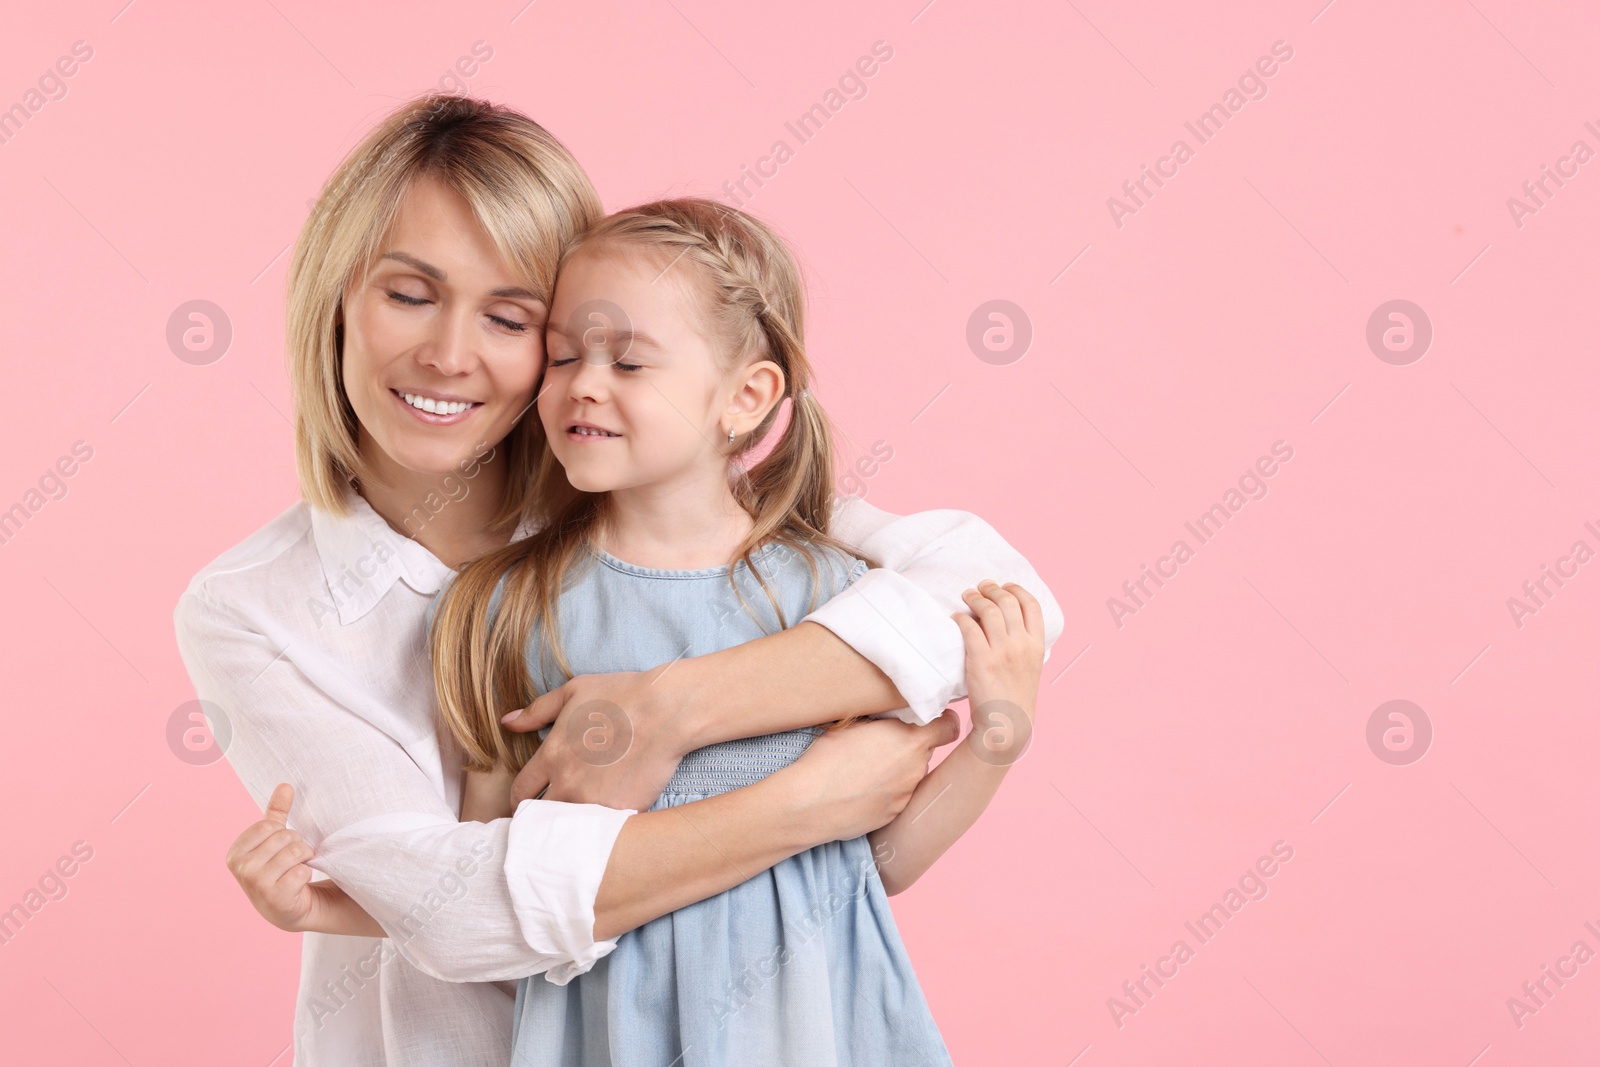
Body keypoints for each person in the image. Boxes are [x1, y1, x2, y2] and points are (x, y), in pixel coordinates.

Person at [182, 94, 1063, 1067]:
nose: (449, 353)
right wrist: (807, 804)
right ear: (333, 295)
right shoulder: (266, 608)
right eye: (407, 293)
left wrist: (671, 709)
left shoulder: (674, 503)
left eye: (512, 317)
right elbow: (458, 906)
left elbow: (993, 588)